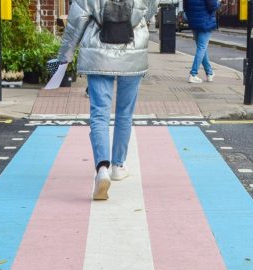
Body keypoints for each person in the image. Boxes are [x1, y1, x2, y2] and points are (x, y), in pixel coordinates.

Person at [57, 0, 158, 200]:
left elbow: (76, 22)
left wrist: (63, 58)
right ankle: (118, 166)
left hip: (98, 55)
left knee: (99, 114)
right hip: (133, 52)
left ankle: (102, 169)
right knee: (124, 113)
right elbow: (150, 11)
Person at [183, 0, 219, 84]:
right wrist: (218, 3)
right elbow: (213, 5)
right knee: (202, 48)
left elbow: (185, 7)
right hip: (205, 21)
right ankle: (193, 74)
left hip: (194, 22)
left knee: (202, 48)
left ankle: (209, 73)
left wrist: (191, 17)